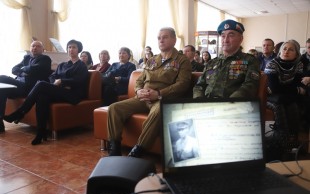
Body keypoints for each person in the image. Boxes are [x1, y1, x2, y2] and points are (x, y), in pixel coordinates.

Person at [108, 27, 192, 157]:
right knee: (114, 108)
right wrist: (138, 91)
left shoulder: (182, 60)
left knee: (159, 111)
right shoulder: (152, 59)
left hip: (162, 99)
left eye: (165, 37)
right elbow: (139, 80)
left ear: (174, 40)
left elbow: (183, 84)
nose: (161, 40)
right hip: (143, 97)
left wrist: (158, 94)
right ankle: (114, 148)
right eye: (159, 38)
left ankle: (139, 150)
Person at [4, 39, 89, 145]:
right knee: (42, 96)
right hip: (62, 91)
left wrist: (63, 81)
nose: (71, 49)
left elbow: (80, 80)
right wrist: (56, 82)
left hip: (73, 94)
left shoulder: (81, 65)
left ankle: (20, 112)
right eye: (69, 47)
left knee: (41, 84)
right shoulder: (63, 64)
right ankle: (41, 132)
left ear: (79, 50)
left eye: (74, 47)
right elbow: (52, 76)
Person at [193, 19, 260, 99]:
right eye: (223, 36)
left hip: (233, 107)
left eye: (231, 35)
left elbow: (249, 87)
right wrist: (199, 101)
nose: (225, 40)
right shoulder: (212, 63)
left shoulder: (249, 60)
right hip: (207, 106)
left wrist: (228, 103)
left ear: (241, 39)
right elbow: (199, 86)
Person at [0, 41, 52, 133]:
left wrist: (23, 69)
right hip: (19, 85)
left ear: (42, 49)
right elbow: (14, 69)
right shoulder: (26, 58)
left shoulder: (45, 59)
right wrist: (23, 72)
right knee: (1, 91)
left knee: (2, 78)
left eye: (38, 46)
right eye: (33, 46)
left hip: (30, 88)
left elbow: (35, 68)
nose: (35, 48)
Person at [264, 40, 305, 139]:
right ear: (280, 52)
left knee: (293, 106)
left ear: (296, 54)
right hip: (270, 97)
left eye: (291, 50)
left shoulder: (299, 65)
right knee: (279, 106)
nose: (286, 52)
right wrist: (297, 90)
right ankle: (282, 140)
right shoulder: (272, 64)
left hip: (285, 97)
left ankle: (293, 140)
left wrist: (293, 89)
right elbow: (274, 88)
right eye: (284, 49)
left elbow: (296, 83)